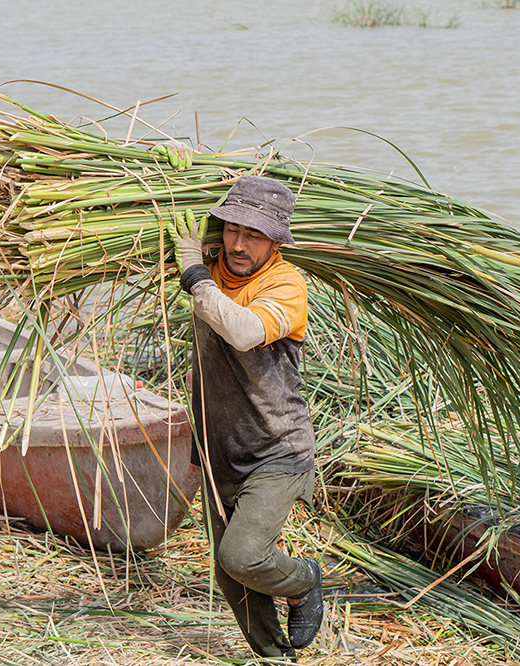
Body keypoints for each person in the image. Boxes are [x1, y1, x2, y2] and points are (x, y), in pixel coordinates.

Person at [170, 174, 325, 660]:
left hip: (276, 447)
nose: (238, 245)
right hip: (219, 446)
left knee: (242, 556)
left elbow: (243, 330)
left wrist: (195, 275)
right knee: (231, 576)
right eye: (233, 229)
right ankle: (275, 655)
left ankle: (304, 580)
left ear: (276, 242)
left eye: (254, 235)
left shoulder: (285, 284)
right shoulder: (211, 264)